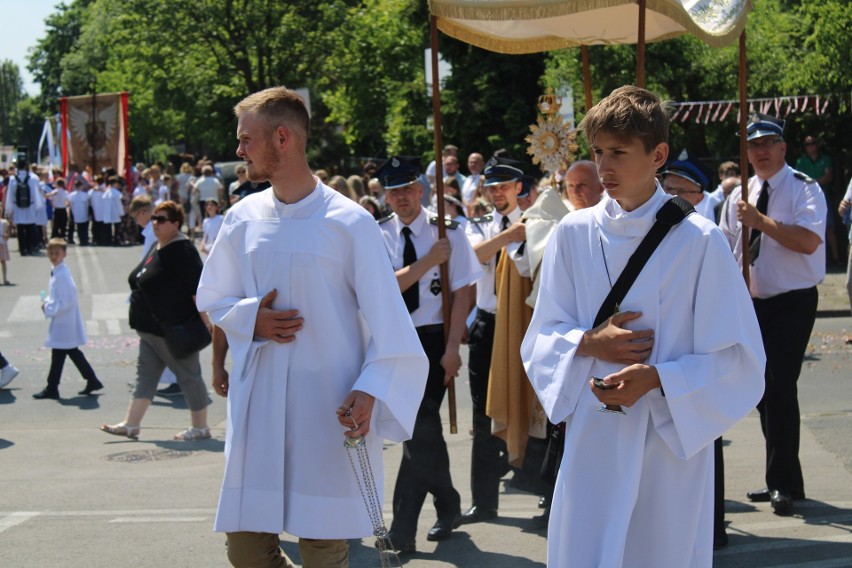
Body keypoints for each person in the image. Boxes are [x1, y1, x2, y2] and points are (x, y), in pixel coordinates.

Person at [522, 86, 765, 567]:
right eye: (597, 153)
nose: (604, 167)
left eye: (618, 152)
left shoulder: (700, 241)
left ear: (658, 155)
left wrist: (658, 379)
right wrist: (591, 343)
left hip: (667, 440)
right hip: (593, 435)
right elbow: (543, 334)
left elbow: (739, 358)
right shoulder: (572, 234)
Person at [195, 86, 428, 568]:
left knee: (324, 550)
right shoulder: (241, 219)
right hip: (257, 407)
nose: (238, 151)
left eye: (246, 139)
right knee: (247, 551)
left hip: (325, 406)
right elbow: (212, 297)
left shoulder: (349, 223)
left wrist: (369, 390)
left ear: (282, 137)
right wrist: (250, 319)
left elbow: (391, 325)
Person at [720, 113, 827, 516]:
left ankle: (781, 482)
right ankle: (784, 478)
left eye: (768, 143)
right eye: (753, 145)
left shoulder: (804, 189)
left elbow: (808, 241)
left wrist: (762, 221)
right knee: (762, 392)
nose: (760, 151)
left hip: (792, 301)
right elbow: (728, 249)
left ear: (783, 147)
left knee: (780, 385)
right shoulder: (738, 195)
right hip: (752, 302)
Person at [375, 157, 482, 554]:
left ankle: (401, 532)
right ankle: (448, 501)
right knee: (421, 430)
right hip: (396, 340)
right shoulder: (379, 234)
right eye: (393, 191)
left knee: (417, 428)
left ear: (421, 190)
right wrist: (427, 262)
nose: (401, 198)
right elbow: (386, 288)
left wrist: (453, 348)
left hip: (435, 339)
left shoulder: (448, 232)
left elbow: (463, 295)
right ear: (385, 195)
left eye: (407, 189)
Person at [100, 201, 211, 441]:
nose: (155, 223)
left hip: (173, 328)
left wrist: (207, 323)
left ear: (176, 223)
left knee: (188, 375)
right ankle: (131, 424)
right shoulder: (158, 246)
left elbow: (198, 290)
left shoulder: (183, 250)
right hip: (150, 330)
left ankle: (200, 428)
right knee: (146, 376)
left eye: (161, 219)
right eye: (154, 218)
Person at [460, 155, 527, 525]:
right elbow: (471, 258)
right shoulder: (479, 224)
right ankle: (483, 501)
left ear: (519, 188)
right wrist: (507, 237)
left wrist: (519, 234)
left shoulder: (537, 222)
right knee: (483, 414)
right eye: (492, 186)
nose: (497, 192)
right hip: (489, 323)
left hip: (524, 326)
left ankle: (541, 491)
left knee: (532, 408)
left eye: (504, 185)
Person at [33, 238, 103, 399]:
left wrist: (48, 308)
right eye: (51, 252)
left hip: (64, 321)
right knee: (69, 351)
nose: (53, 255)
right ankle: (91, 380)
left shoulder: (62, 274)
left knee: (61, 352)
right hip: (63, 321)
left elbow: (66, 301)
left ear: (64, 254)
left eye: (57, 252)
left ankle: (53, 388)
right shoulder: (57, 270)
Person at [795, 134, 839, 265]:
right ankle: (813, 261)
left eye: (812, 143)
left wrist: (813, 183)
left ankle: (836, 259)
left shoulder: (825, 159)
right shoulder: (800, 161)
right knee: (808, 228)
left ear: (817, 144)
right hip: (806, 197)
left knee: (829, 227)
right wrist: (817, 183)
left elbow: (829, 176)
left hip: (824, 195)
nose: (810, 146)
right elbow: (799, 180)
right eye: (807, 144)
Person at [3, 154, 43, 256]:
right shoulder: (34, 178)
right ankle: (29, 248)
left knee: (20, 229)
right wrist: (38, 206)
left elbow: (10, 195)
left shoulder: (12, 179)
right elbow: (36, 193)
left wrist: (8, 209)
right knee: (30, 228)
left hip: (18, 207)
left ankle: (22, 249)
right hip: (30, 206)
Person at [662, 154, 715, 220]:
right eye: (668, 189)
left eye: (681, 191)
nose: (672, 196)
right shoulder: (647, 220)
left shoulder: (704, 229)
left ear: (698, 199)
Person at [0, 206, 11, 284]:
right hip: (2, 243)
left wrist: (6, 235)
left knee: (3, 261)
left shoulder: (4, 222)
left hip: (2, 243)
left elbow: (7, 234)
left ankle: (5, 279)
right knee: (3, 262)